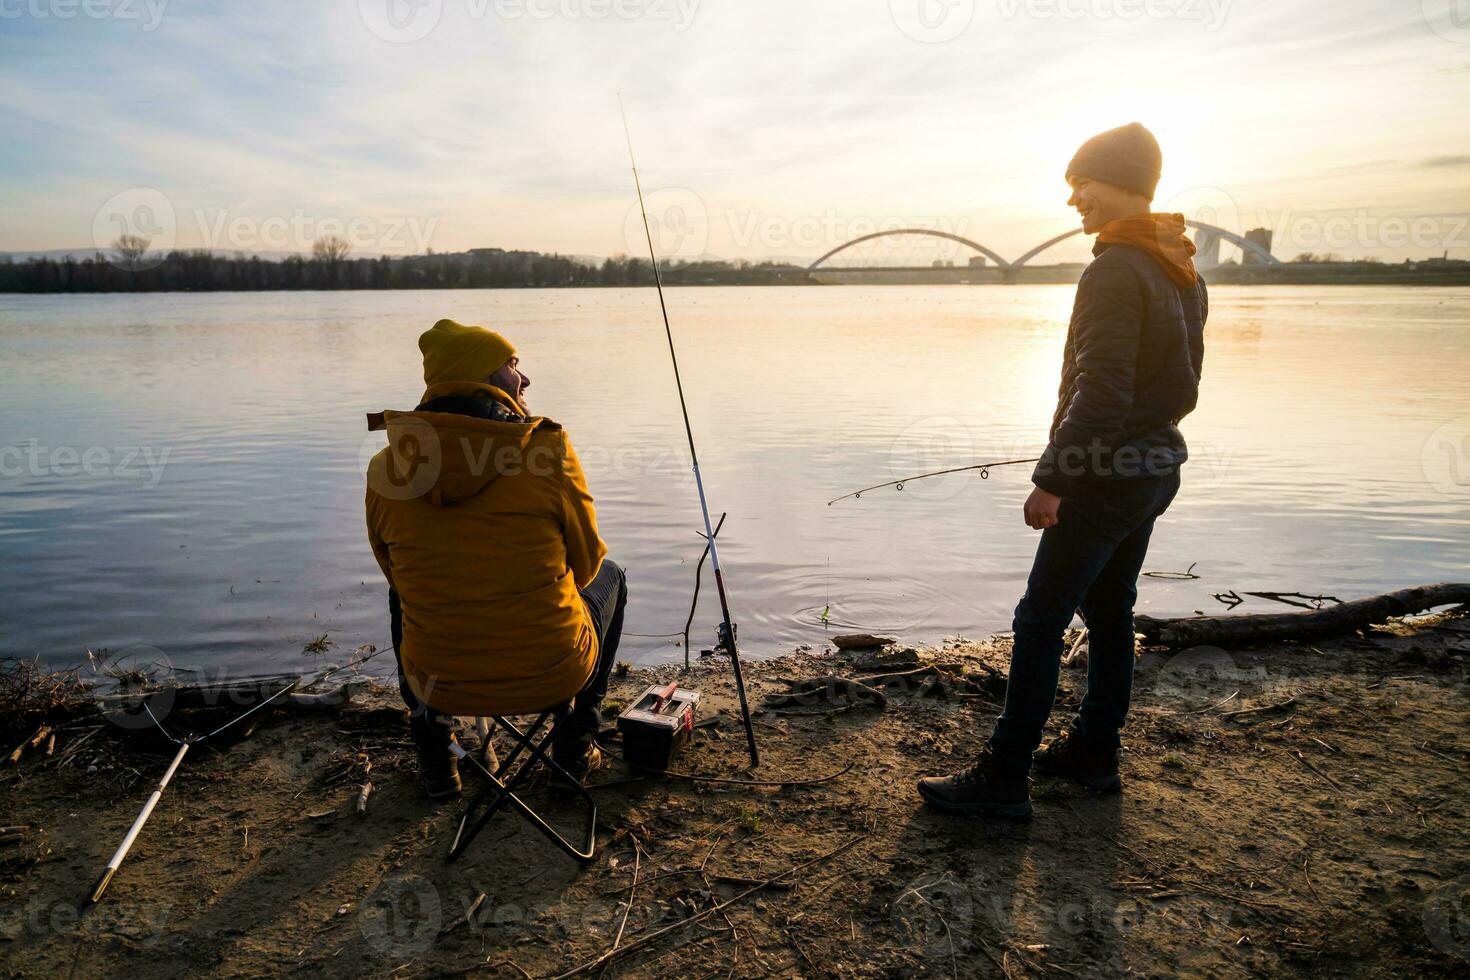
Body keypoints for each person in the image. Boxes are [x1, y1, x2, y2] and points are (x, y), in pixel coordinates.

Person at [918, 122, 1207, 819]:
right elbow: (1174, 386)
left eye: (1085, 184)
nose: (1074, 198)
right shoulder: (1177, 263)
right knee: (1110, 610)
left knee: (1041, 618)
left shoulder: (1115, 267)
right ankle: (1093, 753)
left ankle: (1003, 776)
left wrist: (1056, 477)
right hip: (1154, 467)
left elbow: (1101, 391)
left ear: (1124, 186)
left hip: (1105, 477)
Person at [365, 318, 627, 800]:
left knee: (403, 591)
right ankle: (573, 748)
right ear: (481, 378)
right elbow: (586, 566)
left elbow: (392, 569)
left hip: (440, 681)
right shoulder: (547, 451)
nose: (523, 379)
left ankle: (437, 759)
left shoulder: (386, 468)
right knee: (612, 577)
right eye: (511, 364)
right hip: (552, 670)